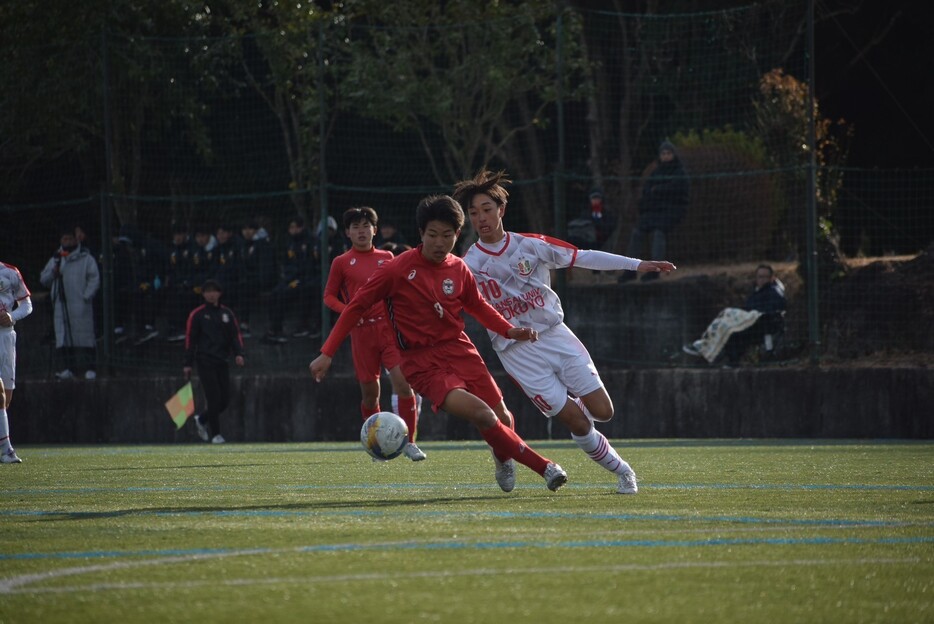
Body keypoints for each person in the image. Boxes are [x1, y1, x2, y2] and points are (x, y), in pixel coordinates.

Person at [310, 195, 568, 493]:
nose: (439, 242)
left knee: (504, 417)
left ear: (457, 235)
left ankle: (503, 458)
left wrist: (510, 331)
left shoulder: (458, 268)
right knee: (483, 414)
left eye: (447, 235)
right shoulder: (396, 269)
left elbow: (478, 306)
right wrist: (326, 352)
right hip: (421, 363)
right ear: (421, 234)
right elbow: (355, 306)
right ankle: (546, 468)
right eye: (432, 235)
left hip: (460, 350)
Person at [455, 170, 677, 494]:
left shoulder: (531, 245)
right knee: (576, 421)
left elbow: (582, 257)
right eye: (474, 213)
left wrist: (638, 264)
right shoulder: (468, 264)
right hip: (517, 351)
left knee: (603, 411)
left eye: (487, 209)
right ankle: (624, 472)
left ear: (501, 209)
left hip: (556, 334)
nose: (481, 218)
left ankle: (583, 428)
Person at [323, 206, 425, 461]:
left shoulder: (387, 257)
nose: (361, 231)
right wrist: (349, 311)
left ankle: (409, 442)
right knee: (371, 394)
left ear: (375, 230)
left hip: (388, 329)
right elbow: (328, 296)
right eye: (355, 226)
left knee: (403, 384)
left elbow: (398, 290)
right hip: (361, 333)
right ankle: (375, 442)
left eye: (366, 225)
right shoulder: (341, 262)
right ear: (347, 232)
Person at [682, 264, 787, 367]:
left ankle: (709, 351)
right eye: (760, 277)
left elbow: (775, 309)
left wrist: (753, 316)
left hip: (762, 325)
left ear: (772, 278)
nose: (762, 280)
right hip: (752, 323)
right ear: (756, 278)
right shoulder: (757, 292)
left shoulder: (773, 291)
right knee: (726, 323)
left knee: (730, 329)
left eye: (766, 277)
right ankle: (704, 348)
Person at [183, 279, 245, 444]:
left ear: (219, 293)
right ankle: (216, 434)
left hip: (222, 361)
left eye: (214, 291)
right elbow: (191, 339)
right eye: (207, 291)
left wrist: (238, 354)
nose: (211, 294)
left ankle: (202, 420)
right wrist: (188, 363)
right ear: (203, 294)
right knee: (213, 397)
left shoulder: (227, 314)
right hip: (204, 360)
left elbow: (234, 336)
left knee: (224, 400)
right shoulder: (197, 315)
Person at [621, 140, 689, 282]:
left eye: (668, 153)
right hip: (653, 211)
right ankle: (630, 270)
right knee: (637, 232)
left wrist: (658, 191)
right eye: (663, 153)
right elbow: (647, 192)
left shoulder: (680, 172)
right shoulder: (656, 172)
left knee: (658, 233)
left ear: (674, 155)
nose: (665, 156)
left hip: (671, 211)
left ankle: (655, 270)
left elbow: (675, 192)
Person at [39, 228, 101, 380]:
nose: (66, 242)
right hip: (61, 304)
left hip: (80, 304)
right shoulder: (56, 258)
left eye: (69, 239)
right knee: (64, 336)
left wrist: (86, 296)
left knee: (85, 336)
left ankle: (91, 367)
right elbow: (44, 279)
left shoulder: (86, 258)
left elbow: (94, 278)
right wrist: (53, 273)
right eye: (64, 239)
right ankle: (68, 368)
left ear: (76, 240)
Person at [0, 261, 34, 463]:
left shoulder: (10, 272)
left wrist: (12, 317)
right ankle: (7, 450)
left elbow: (27, 305)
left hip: (6, 338)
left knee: (6, 399)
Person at [265, 216, 318, 343]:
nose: (292, 230)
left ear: (301, 227)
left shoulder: (309, 241)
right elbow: (287, 262)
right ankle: (275, 328)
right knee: (275, 293)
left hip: (303, 279)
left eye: (295, 227)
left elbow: (309, 265)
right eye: (291, 227)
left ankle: (279, 327)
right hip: (290, 277)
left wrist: (295, 275)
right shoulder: (289, 242)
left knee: (285, 293)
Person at [240, 219, 277, 338]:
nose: (247, 232)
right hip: (249, 279)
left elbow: (265, 268)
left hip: (262, 281)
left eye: (250, 229)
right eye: (244, 229)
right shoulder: (244, 245)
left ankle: (245, 324)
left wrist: (263, 282)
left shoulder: (262, 244)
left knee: (245, 290)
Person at [165, 224, 198, 342]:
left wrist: (186, 281)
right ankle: (174, 327)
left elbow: (194, 268)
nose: (177, 238)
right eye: (175, 235)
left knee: (183, 296)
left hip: (189, 282)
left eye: (179, 235)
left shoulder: (193, 248)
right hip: (176, 283)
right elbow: (170, 267)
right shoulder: (172, 249)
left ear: (185, 235)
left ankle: (183, 328)